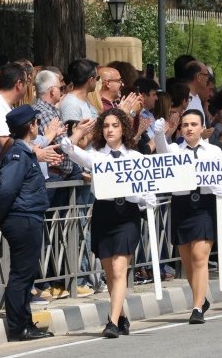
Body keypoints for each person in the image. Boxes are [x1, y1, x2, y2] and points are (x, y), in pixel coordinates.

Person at [62, 108, 157, 338]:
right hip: (104, 213)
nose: (110, 130)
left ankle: (112, 322)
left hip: (127, 214)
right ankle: (122, 315)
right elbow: (67, 148)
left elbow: (148, 188)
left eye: (115, 125)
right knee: (110, 272)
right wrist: (79, 132)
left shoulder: (135, 158)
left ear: (123, 128)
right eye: (106, 126)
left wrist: (147, 198)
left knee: (119, 269)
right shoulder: (96, 156)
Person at [153, 110, 222, 323]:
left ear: (202, 127)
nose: (189, 128)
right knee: (188, 261)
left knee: (200, 257)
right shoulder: (175, 150)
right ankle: (201, 298)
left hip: (205, 207)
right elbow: (161, 151)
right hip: (182, 205)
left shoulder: (213, 151)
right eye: (185, 124)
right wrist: (159, 134)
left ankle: (197, 307)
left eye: (194, 124)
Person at [0, 105, 55, 341]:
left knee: (26, 274)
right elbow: (6, 190)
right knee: (21, 274)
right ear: (31, 126)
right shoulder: (19, 154)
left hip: (27, 217)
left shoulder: (22, 151)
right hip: (22, 218)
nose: (38, 126)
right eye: (37, 122)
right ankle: (19, 327)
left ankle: (25, 321)